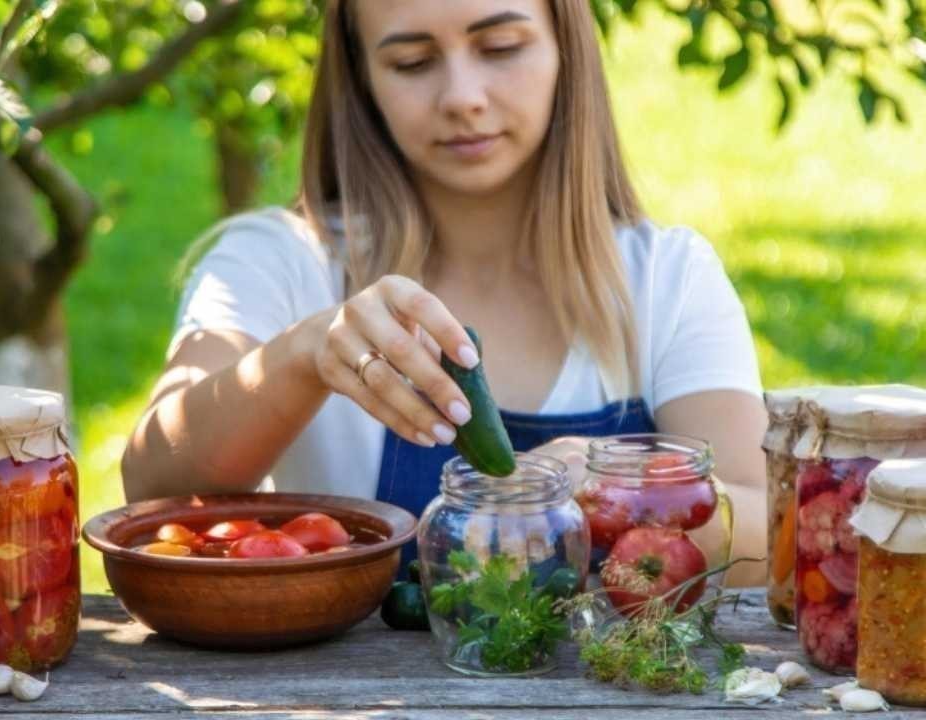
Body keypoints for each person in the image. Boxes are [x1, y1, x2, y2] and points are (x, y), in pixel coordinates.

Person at [122, 0, 769, 585]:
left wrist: (620, 491)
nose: (462, 96)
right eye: (412, 61)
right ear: (362, 79)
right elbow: (152, 488)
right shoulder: (279, 263)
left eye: (501, 48)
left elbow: (770, 524)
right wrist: (303, 354)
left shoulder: (666, 279)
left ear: (565, 48)